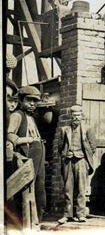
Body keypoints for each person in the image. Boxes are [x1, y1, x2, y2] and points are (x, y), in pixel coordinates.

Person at [7, 85, 46, 223]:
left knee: (39, 189)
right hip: (25, 157)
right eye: (29, 100)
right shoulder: (17, 115)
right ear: (21, 100)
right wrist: (26, 140)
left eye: (35, 101)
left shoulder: (33, 117)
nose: (32, 104)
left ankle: (36, 221)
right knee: (25, 189)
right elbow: (9, 134)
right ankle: (22, 222)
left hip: (38, 156)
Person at [57, 105, 96, 224]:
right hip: (68, 160)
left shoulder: (87, 129)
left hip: (81, 161)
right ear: (71, 116)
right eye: (74, 115)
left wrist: (84, 158)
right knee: (68, 189)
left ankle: (81, 214)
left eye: (78, 115)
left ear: (81, 116)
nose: (76, 117)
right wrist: (66, 155)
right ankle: (67, 215)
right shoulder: (65, 129)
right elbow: (60, 146)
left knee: (81, 188)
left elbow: (92, 146)